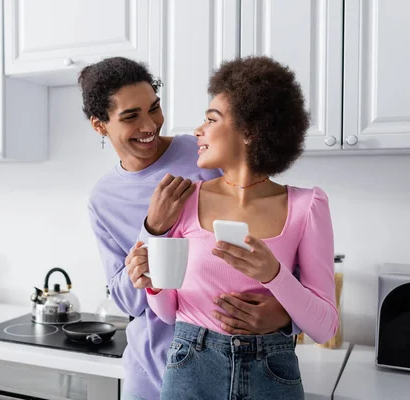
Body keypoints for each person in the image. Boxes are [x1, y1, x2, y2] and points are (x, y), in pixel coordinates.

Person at [81, 57, 296, 400]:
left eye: (154, 108)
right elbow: (127, 300)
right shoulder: (103, 198)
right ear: (99, 125)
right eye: (131, 116)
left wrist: (286, 317)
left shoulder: (203, 154)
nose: (150, 124)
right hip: (151, 370)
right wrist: (153, 228)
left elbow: (274, 245)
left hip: (228, 365)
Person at [128, 56, 338, 399]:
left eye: (211, 120)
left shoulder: (307, 206)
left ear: (250, 131)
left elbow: (325, 327)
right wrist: (152, 284)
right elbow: (168, 313)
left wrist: (275, 277)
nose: (198, 130)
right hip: (190, 367)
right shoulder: (185, 199)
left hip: (271, 373)